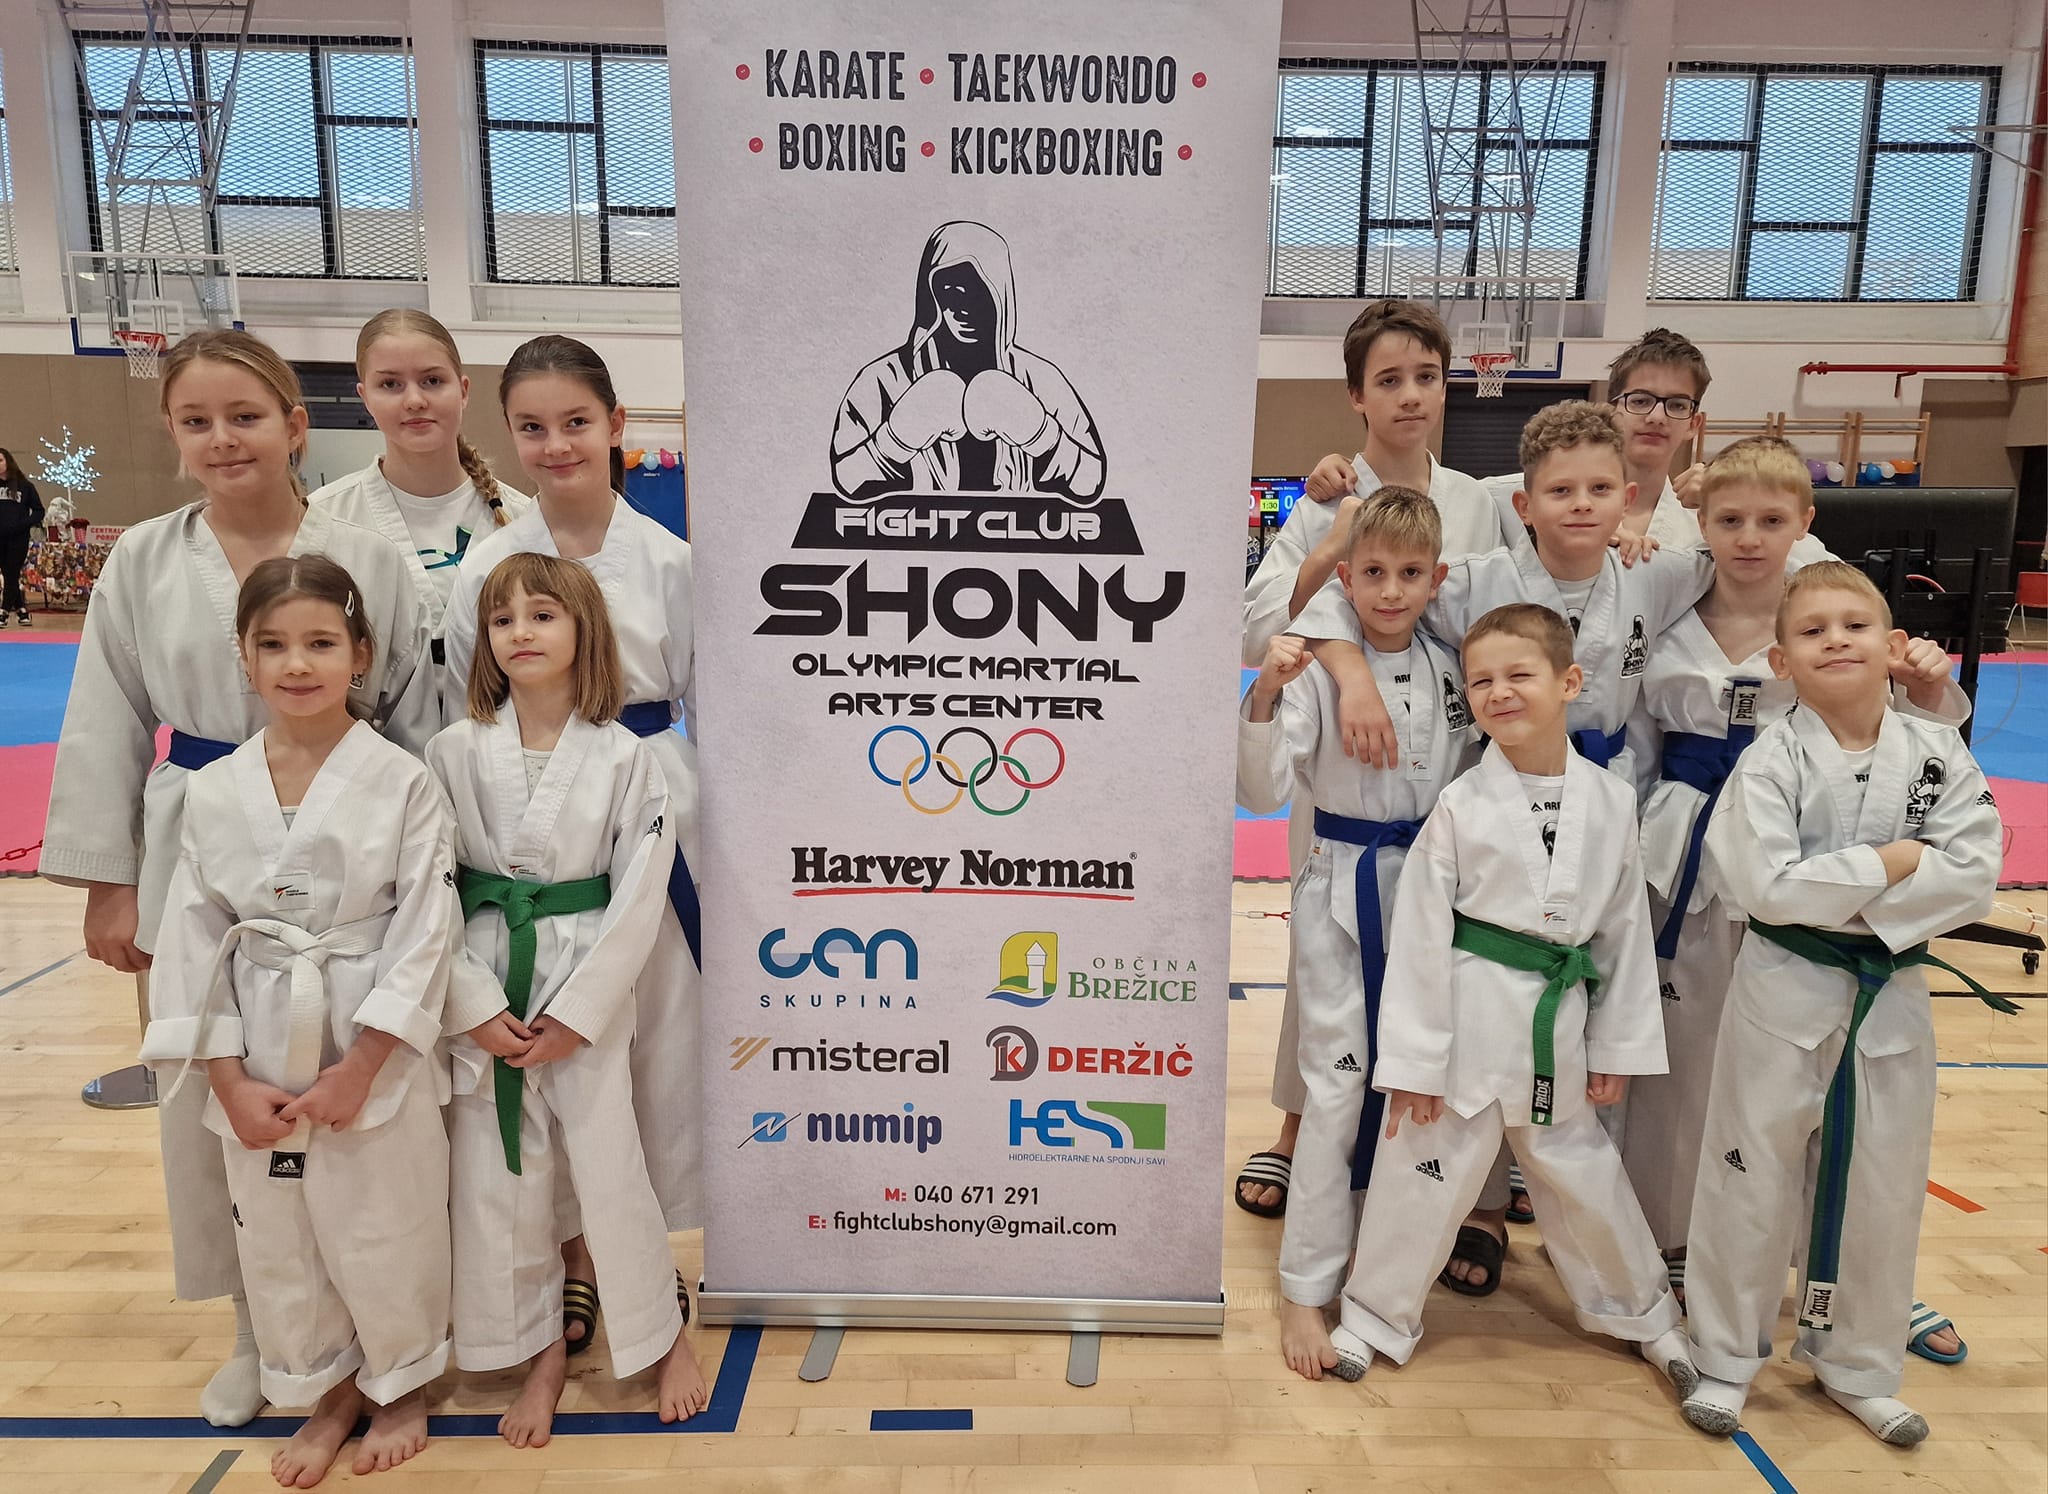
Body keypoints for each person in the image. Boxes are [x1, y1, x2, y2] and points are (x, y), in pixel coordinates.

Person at [37, 329, 430, 1429]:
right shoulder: (142, 561)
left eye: (246, 416)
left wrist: (421, 864)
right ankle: (261, 1330)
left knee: (353, 1096)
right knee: (214, 1102)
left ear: (295, 428)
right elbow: (104, 718)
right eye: (197, 421)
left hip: (351, 846)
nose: (223, 439)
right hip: (199, 844)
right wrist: (109, 881)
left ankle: (376, 1331)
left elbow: (413, 712)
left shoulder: (371, 556)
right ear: (171, 434)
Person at [1293, 401, 1712, 1285]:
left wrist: (1697, 506)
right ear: (1524, 504)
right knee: (1485, 1005)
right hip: (1495, 803)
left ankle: (1577, 1225)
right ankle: (1480, 1205)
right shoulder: (1476, 578)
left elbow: (1762, 564)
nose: (1582, 506)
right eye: (1561, 491)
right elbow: (1355, 595)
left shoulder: (1659, 571)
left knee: (1586, 1008)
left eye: (1600, 490)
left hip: (1604, 800)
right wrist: (1350, 673)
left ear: (1627, 496)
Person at [1624, 438, 1968, 1307]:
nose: (1749, 537)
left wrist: (1928, 686)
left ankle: (1835, 1266)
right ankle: (1677, 1235)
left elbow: (1898, 740)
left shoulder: (1827, 617)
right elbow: (1634, 738)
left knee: (1821, 1060)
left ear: (1803, 523)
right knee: (1686, 1054)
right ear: (1701, 523)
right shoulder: (1662, 608)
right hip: (1682, 848)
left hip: (1809, 847)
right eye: (1730, 520)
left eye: (1770, 520)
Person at [140, 555, 457, 1485]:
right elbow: (194, 938)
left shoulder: (404, 780)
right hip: (260, 1027)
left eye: (321, 642)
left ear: (360, 654)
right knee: (278, 1228)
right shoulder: (214, 789)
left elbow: (426, 929)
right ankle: (326, 1387)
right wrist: (228, 1079)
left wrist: (363, 1066)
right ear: (243, 659)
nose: (296, 663)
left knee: (383, 1215)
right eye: (272, 645)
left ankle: (399, 1381)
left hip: (369, 1033)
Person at [1320, 603, 1691, 1391]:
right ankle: (1373, 1316)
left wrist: (1617, 1045)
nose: (1498, 692)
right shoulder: (1463, 801)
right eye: (1481, 680)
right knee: (1423, 1166)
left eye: (1519, 674)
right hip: (1469, 1017)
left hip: (1560, 1023)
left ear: (1570, 681)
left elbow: (1623, 931)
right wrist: (1415, 1062)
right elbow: (1420, 938)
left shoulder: (1612, 799)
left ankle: (1645, 1315)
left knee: (1584, 1175)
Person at [1679, 563, 2008, 1448]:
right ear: (1781, 661)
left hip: (1889, 994)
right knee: (1748, 1170)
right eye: (1813, 630)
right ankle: (1724, 1357)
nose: (1836, 641)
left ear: (1893, 645)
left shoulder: (1936, 752)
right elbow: (1766, 887)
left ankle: (1859, 1365)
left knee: (1883, 1182)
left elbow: (1974, 874)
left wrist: (1845, 895)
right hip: (1782, 987)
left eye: (1855, 626)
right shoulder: (1770, 760)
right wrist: (1895, 863)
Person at [443, 334, 701, 1354]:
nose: (556, 445)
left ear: (616, 425)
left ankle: (637, 1256)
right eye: (532, 428)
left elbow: (713, 702)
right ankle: (565, 1259)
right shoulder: (488, 565)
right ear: (508, 434)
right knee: (534, 1052)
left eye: (576, 423)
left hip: (647, 803)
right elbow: (464, 699)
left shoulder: (671, 561)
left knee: (642, 1046)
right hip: (521, 828)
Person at [431, 552, 708, 1442]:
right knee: (501, 1181)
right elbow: (428, 888)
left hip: (587, 974)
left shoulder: (627, 756)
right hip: (485, 971)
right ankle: (541, 1355)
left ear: (586, 630)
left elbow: (641, 893)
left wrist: (577, 1013)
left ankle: (662, 1340)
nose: (521, 632)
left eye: (543, 615)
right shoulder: (451, 752)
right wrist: (472, 1003)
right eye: (502, 619)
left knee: (610, 1164)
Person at [1234, 298, 1499, 1220]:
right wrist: (1333, 555)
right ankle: (1299, 1127)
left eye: (1426, 377)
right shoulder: (1324, 500)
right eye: (1389, 380)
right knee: (1325, 961)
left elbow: (1513, 605)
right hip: (1341, 768)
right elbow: (1258, 631)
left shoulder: (1479, 501)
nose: (1410, 396)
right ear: (1357, 396)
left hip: (1445, 763)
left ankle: (1462, 1161)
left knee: (1452, 970)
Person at [1236, 488, 1479, 1379]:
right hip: (1339, 885)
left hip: (1434, 893)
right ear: (1345, 577)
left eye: (1410, 574)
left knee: (1417, 1088)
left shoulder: (1455, 669)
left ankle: (1382, 1279)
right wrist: (1266, 690)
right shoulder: (1315, 671)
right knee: (1336, 1086)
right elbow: (1263, 793)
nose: (1391, 591)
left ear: (1436, 580)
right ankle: (1305, 1287)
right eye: (1373, 573)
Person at [312, 309, 531, 723]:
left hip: (501, 743)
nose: (414, 400)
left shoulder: (523, 518)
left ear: (463, 390)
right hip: (373, 749)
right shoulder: (323, 520)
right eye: (390, 384)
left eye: (432, 380)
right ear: (365, 396)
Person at [831, 220, 1104, 501]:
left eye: (977, 291)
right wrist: (894, 442)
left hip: (1016, 528)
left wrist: (1042, 436)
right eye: (949, 291)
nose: (963, 309)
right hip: (916, 528)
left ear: (1000, 295)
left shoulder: (1039, 379)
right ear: (931, 296)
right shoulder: (884, 379)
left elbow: (1091, 482)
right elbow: (845, 481)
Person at [0, 446, 45, 627]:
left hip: (17, 539)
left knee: (11, 572)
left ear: (8, 462)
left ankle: (3, 611)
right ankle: (21, 610)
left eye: (0, 460)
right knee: (8, 574)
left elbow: (39, 511)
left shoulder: (25, 487)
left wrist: (23, 524)